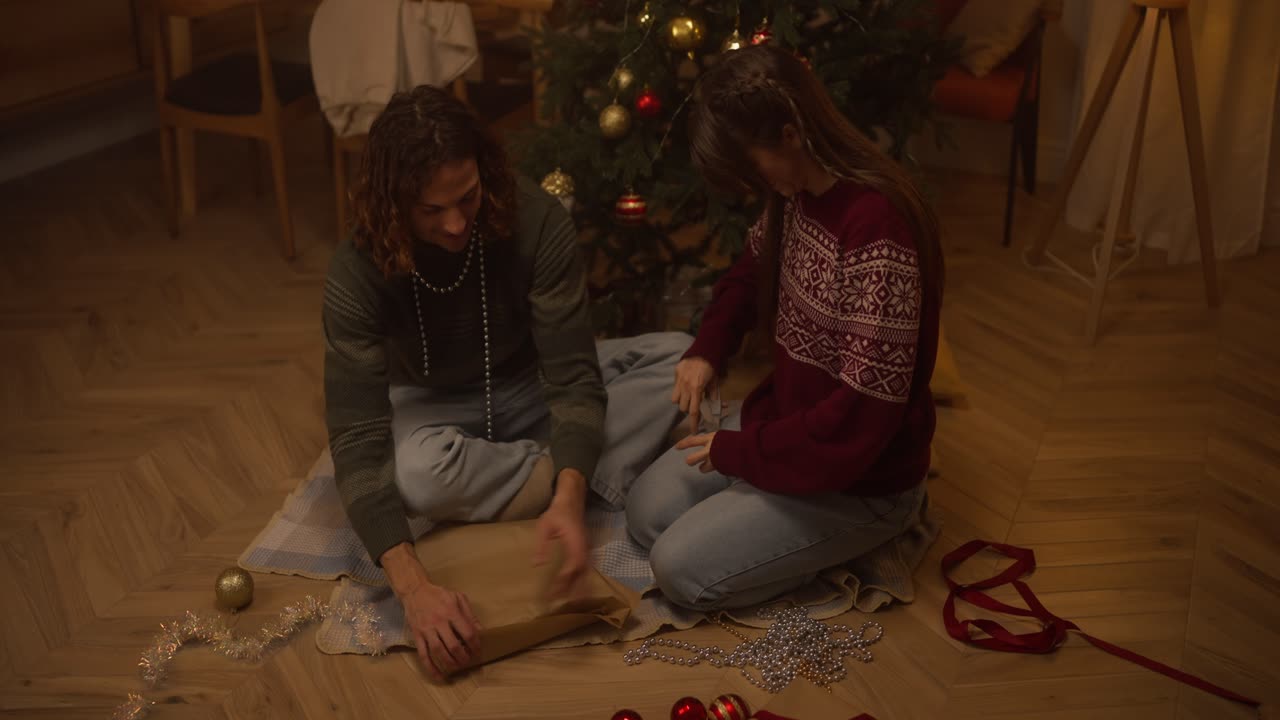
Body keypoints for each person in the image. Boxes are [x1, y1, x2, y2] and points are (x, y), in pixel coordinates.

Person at [323, 85, 690, 680]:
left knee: (684, 358)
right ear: (392, 205)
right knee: (415, 474)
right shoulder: (356, 270)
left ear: (484, 173)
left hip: (528, 385)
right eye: (430, 210)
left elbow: (571, 374)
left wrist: (568, 502)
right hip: (432, 405)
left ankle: (556, 474)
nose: (456, 223)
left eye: (466, 198)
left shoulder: (537, 220)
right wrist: (413, 589)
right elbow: (357, 436)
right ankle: (589, 462)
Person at [626, 45, 943, 611]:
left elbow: (858, 420)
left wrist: (741, 454)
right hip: (792, 436)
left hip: (859, 480)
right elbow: (749, 276)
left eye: (752, 165)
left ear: (792, 134)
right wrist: (706, 351)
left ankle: (855, 541)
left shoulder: (878, 231)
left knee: (679, 571)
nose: (754, 184)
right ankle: (765, 520)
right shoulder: (792, 194)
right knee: (645, 513)